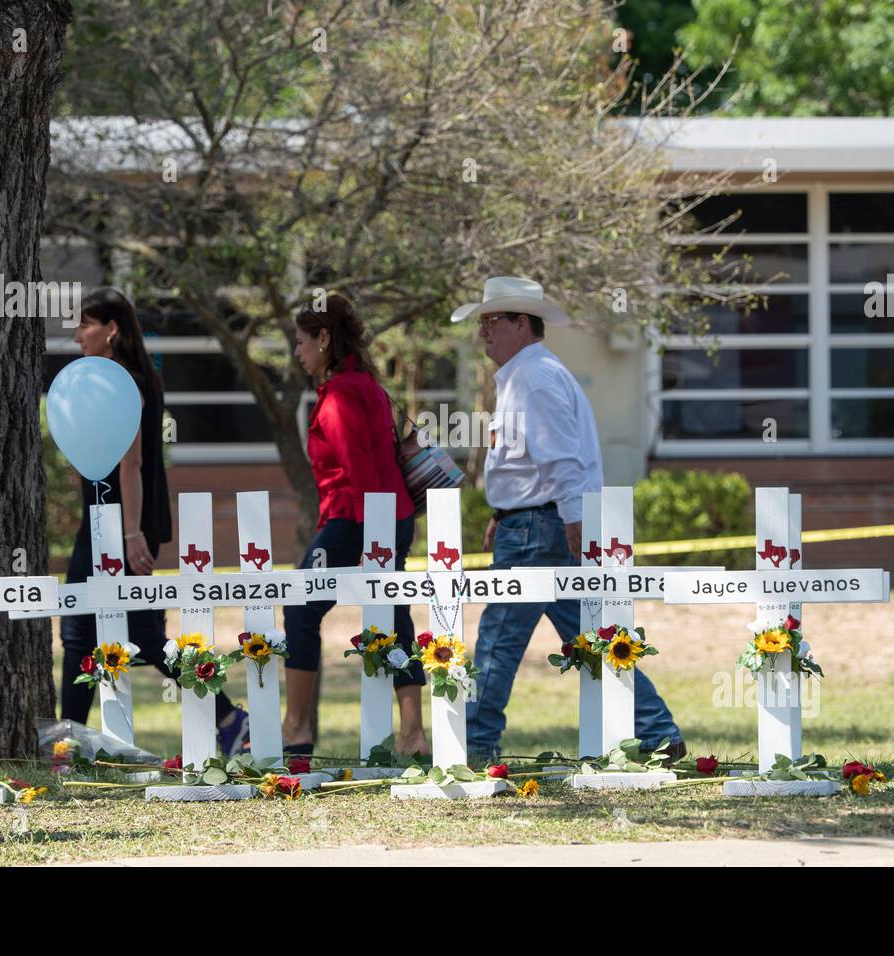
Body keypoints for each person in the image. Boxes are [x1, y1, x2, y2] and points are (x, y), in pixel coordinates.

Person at [455, 276, 686, 762]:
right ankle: (656, 730)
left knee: (500, 637)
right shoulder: (532, 374)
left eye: (490, 321)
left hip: (537, 527)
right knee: (588, 636)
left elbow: (560, 459)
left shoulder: (533, 378)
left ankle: (475, 746)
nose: (483, 332)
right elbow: (537, 461)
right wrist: (509, 512)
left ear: (521, 324)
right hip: (536, 522)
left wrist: (567, 517)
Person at [59, 287, 250, 756]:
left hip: (118, 524)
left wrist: (131, 533)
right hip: (108, 520)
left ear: (112, 330)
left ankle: (66, 744)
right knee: (129, 634)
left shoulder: (122, 382)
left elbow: (132, 464)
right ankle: (229, 717)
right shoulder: (127, 377)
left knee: (85, 634)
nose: (78, 334)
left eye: (86, 324)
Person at [283, 293, 429, 757]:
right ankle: (412, 733)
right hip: (388, 515)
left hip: (357, 517)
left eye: (302, 341)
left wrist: (375, 542)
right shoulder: (364, 383)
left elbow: (361, 471)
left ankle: (296, 728)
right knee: (395, 613)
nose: (297, 351)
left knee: (300, 609)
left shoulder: (342, 393)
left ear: (324, 338)